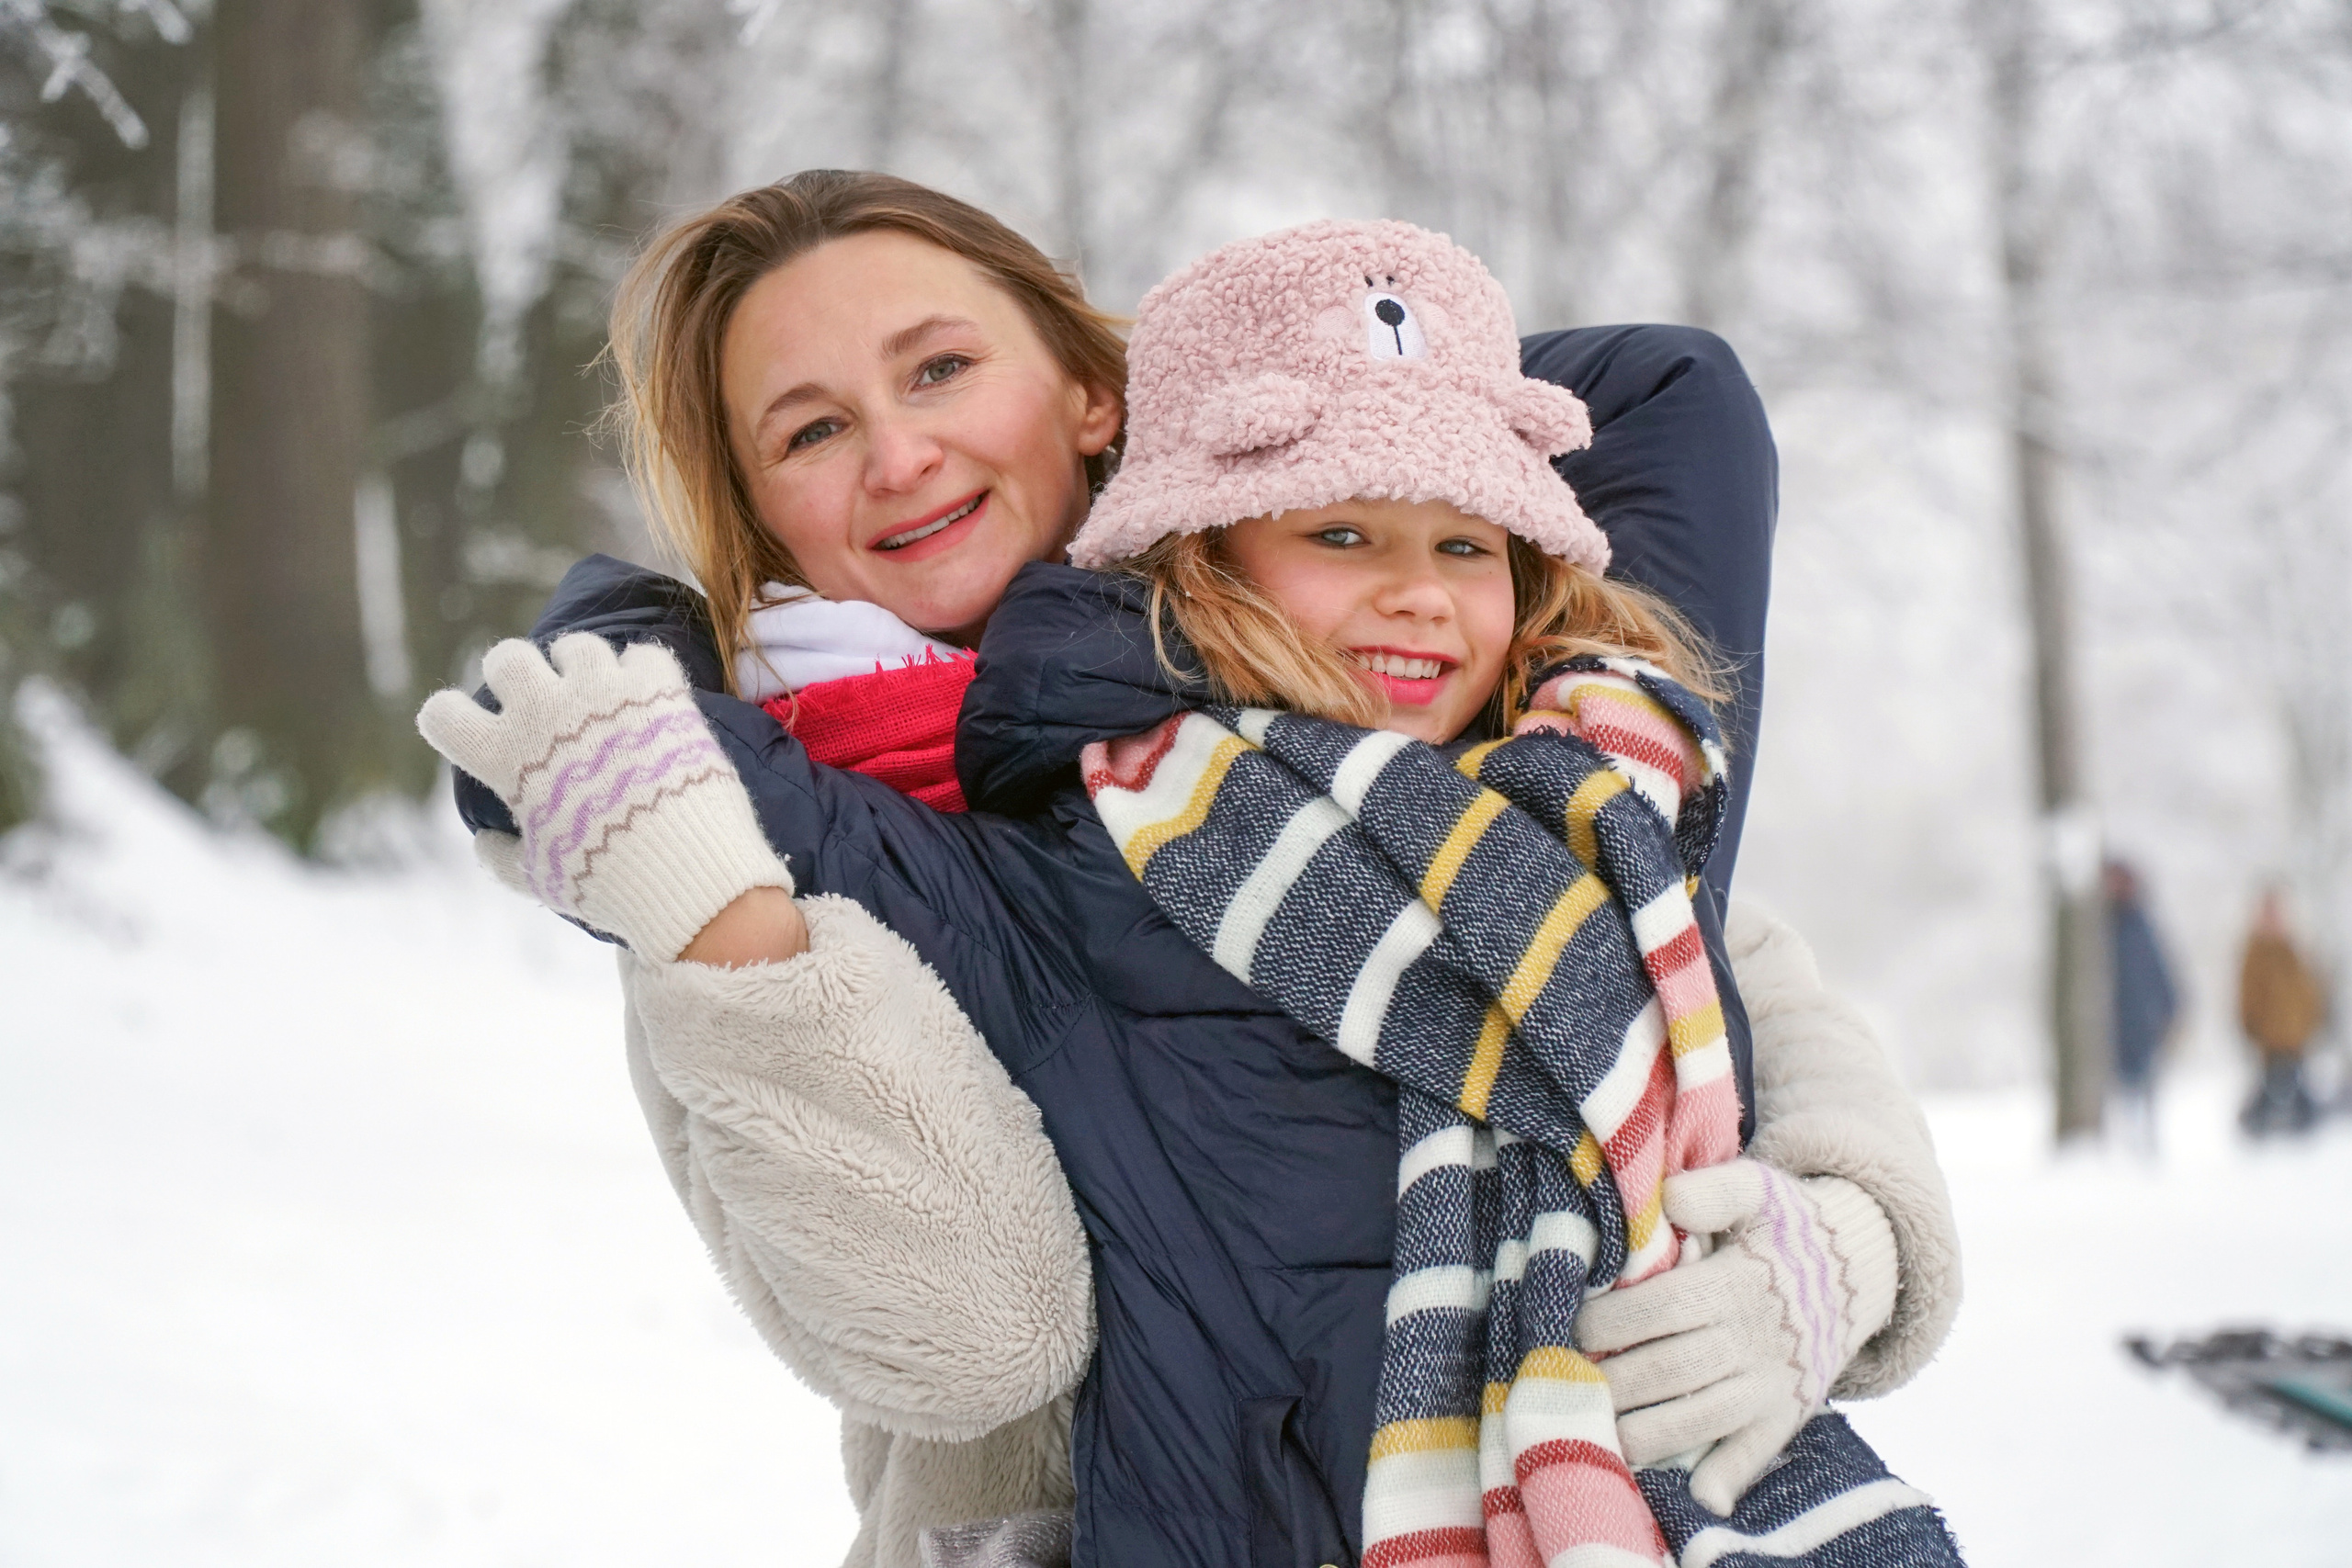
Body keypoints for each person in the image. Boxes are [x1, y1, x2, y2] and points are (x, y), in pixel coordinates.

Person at [419, 175, 1960, 1566]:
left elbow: (1700, 954)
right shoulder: (697, 834)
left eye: (942, 368)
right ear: (756, 507)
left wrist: (1847, 1235)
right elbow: (962, 1334)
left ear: (1096, 393)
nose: (898, 453)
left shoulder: (1372, 661)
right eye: (810, 431)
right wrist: (639, 717)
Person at [2104, 858, 2178, 1153]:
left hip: (2142, 1026)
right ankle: (2121, 1146)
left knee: (2144, 1088)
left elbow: (2161, 973)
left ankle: (2144, 1146)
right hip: (2111, 1028)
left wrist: (2170, 1012)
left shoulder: (2141, 925)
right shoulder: (2099, 926)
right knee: (2119, 1094)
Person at [2239, 885, 2325, 1137]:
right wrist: (2254, 1030)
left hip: (2296, 1041)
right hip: (2269, 1044)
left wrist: (2310, 1024)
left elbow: (2309, 992)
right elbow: (2248, 998)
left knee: (2301, 1097)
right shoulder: (2255, 953)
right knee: (2268, 1093)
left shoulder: (2295, 950)